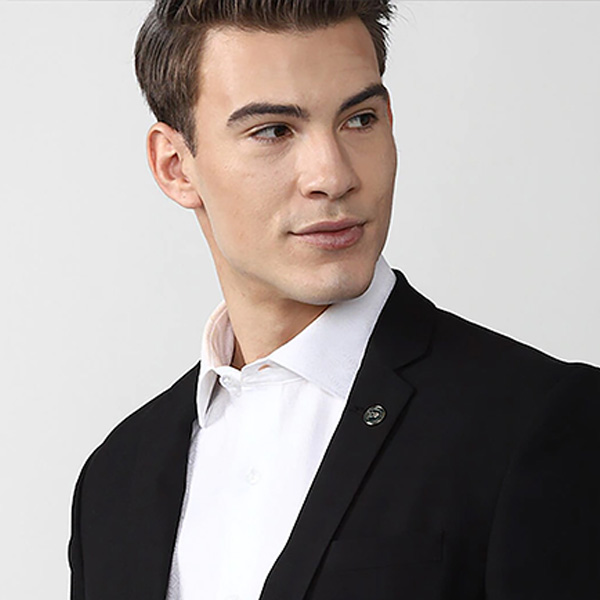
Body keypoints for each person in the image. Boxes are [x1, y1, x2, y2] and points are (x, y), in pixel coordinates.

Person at [68, 1, 600, 599]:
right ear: (175, 167)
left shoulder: (536, 422)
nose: (334, 175)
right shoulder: (114, 481)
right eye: (273, 130)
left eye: (359, 119)